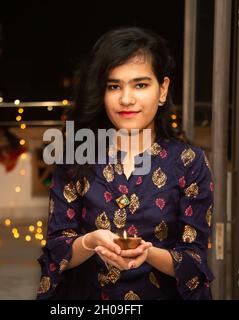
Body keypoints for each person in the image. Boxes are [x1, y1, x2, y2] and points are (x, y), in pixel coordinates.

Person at [36, 26, 214, 300]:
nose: (126, 99)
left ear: (162, 89)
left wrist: (148, 254)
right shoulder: (75, 158)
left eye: (140, 85)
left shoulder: (189, 163)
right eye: (114, 86)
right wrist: (91, 241)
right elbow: (56, 251)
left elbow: (195, 259)